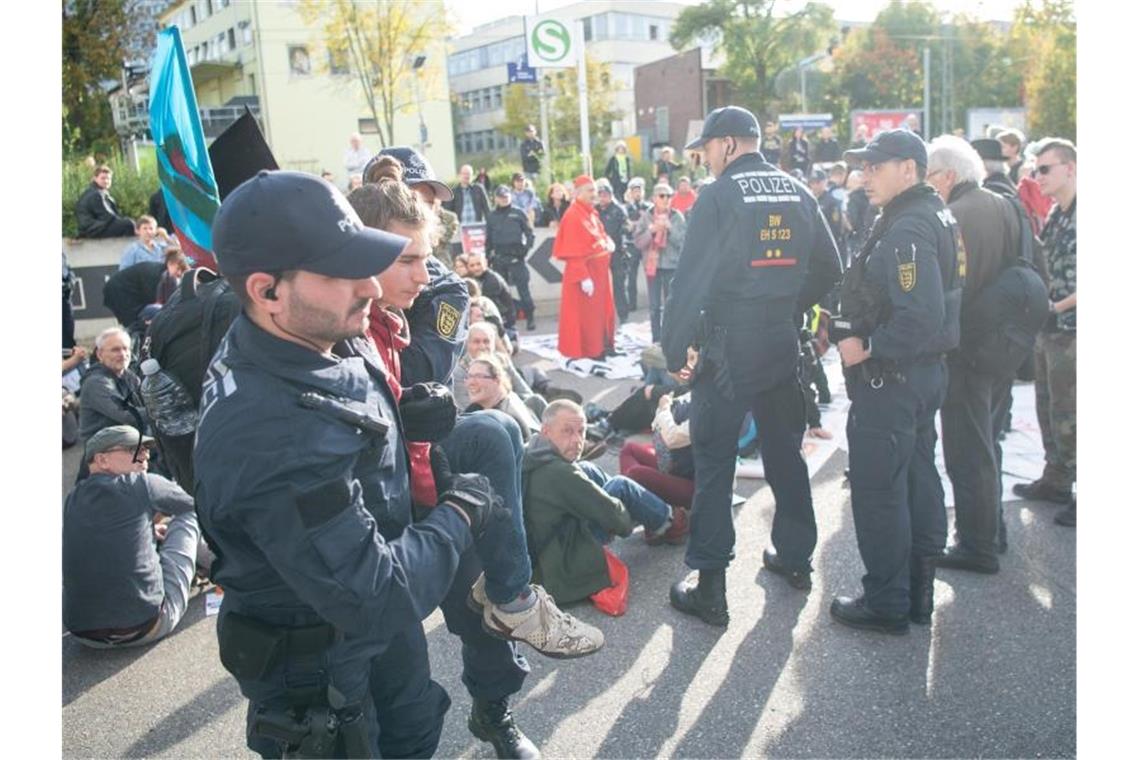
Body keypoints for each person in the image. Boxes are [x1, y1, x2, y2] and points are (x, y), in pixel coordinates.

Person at [195, 170, 601, 758]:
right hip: (326, 659)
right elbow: (376, 593)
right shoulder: (274, 434)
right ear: (266, 291)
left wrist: (409, 421)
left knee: (415, 725)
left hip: (371, 620)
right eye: (344, 273)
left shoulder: (318, 333)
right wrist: (461, 513)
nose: (371, 287)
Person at [664, 105, 842, 627]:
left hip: (729, 349)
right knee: (786, 454)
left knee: (715, 462)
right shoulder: (798, 190)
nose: (706, 160)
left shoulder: (717, 196)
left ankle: (711, 588)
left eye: (706, 151)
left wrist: (675, 350)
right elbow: (831, 267)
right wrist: (788, 306)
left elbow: (689, 281)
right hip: (780, 343)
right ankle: (794, 557)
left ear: (726, 145)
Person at [830, 128, 964, 634]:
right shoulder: (930, 214)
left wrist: (866, 346)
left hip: (895, 377)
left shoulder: (908, 227)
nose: (865, 177)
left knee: (879, 489)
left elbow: (920, 315)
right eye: (864, 167)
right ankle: (915, 595)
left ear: (908, 169)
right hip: (921, 375)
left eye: (875, 167)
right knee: (916, 479)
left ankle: (887, 600)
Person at [925, 135, 1022, 571]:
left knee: (967, 450)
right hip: (1003, 345)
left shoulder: (954, 215)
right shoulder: (1005, 202)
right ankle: (991, 530)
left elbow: (948, 288)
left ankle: (976, 543)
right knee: (989, 444)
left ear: (947, 175)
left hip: (968, 349)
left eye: (928, 176)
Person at [522, 400, 690, 604]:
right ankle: (671, 522)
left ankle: (652, 511)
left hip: (547, 542)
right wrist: (631, 510)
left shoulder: (532, 449)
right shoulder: (560, 473)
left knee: (586, 468)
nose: (577, 440)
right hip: (560, 559)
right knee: (621, 486)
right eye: (567, 431)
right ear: (546, 431)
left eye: (581, 431)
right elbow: (615, 517)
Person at [64, 426, 203, 647]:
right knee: (189, 515)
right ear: (102, 460)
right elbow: (200, 503)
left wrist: (147, 530)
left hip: (85, 636)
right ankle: (228, 568)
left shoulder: (71, 500)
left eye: (147, 449)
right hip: (148, 626)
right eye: (133, 449)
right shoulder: (143, 483)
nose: (145, 455)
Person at [1012, 139, 1077, 527]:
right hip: (1050, 329)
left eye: (1045, 169)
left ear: (1069, 168)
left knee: (1075, 415)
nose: (1038, 177)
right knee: (1049, 408)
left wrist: (1057, 307)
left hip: (1073, 330)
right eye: (1035, 170)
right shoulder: (1056, 213)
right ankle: (1056, 479)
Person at [552, 176, 617, 360]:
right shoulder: (573, 215)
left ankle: (605, 345)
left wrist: (607, 242)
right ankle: (592, 350)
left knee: (603, 312)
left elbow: (599, 234)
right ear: (579, 193)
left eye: (594, 190)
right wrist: (583, 277)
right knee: (589, 316)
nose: (594, 195)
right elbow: (573, 251)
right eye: (590, 191)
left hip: (600, 273)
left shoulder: (591, 212)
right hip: (587, 274)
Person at [619, 390, 696, 509]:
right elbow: (658, 425)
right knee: (629, 449)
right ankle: (629, 505)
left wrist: (664, 408)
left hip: (697, 485)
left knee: (636, 474)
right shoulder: (694, 392)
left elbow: (672, 438)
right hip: (674, 465)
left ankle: (672, 519)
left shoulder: (710, 406)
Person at [633, 183, 686, 344]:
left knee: (672, 306)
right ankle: (656, 339)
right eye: (662, 196)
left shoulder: (677, 217)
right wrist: (652, 231)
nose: (666, 199)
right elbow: (638, 242)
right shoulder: (646, 217)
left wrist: (669, 229)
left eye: (669, 196)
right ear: (654, 198)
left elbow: (683, 243)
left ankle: (671, 338)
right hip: (652, 267)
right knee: (655, 307)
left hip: (671, 267)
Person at [78, 327, 148, 442]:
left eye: (126, 349)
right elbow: (127, 415)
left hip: (128, 441)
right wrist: (164, 409)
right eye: (115, 350)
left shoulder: (130, 377)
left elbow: (146, 404)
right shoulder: (95, 382)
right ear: (100, 354)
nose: (123, 354)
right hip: (104, 450)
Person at [486, 184, 537, 330]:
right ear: (496, 198)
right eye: (501, 197)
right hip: (499, 259)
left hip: (516, 258)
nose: (504, 200)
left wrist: (525, 250)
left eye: (506, 197)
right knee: (501, 293)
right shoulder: (491, 216)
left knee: (523, 290)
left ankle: (530, 318)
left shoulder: (518, 213)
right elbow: (488, 240)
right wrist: (487, 257)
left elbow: (530, 234)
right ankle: (507, 322)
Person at [465, 354, 541, 441]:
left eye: (478, 376)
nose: (471, 382)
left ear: (497, 380)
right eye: (469, 376)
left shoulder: (503, 421)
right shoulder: (476, 408)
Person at [594, 179, 631, 323]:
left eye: (605, 195)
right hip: (599, 254)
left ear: (610, 195)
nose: (602, 198)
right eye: (600, 195)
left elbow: (626, 230)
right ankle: (601, 317)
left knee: (619, 286)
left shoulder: (619, 210)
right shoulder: (594, 210)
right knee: (599, 288)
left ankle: (623, 316)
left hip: (617, 253)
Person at [75, 164, 136, 238]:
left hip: (94, 228)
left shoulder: (97, 191)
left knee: (128, 223)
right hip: (92, 230)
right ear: (95, 178)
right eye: (103, 178)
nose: (106, 181)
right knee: (128, 224)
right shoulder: (96, 194)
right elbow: (107, 216)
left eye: (108, 178)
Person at [467, 251, 517, 334]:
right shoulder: (474, 278)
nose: (476, 268)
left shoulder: (492, 281)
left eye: (478, 264)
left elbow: (486, 307)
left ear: (485, 263)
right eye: (472, 265)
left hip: (503, 323)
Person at [622, 177, 651, 313]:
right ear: (630, 193)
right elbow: (626, 226)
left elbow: (650, 223)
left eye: (639, 191)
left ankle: (653, 301)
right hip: (631, 245)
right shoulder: (625, 208)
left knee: (650, 274)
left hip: (646, 244)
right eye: (634, 191)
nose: (637, 194)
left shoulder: (649, 207)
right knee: (631, 275)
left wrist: (638, 224)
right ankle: (632, 304)